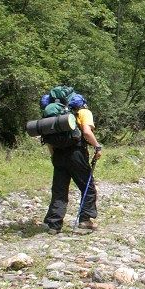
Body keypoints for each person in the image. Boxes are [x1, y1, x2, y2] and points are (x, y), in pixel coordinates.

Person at [43, 93, 102, 234]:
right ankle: (85, 221)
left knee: (59, 190)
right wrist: (97, 146)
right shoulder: (83, 112)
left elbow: (49, 141)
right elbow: (87, 132)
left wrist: (54, 158)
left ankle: (53, 224)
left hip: (58, 154)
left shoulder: (55, 117)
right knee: (88, 187)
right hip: (76, 154)